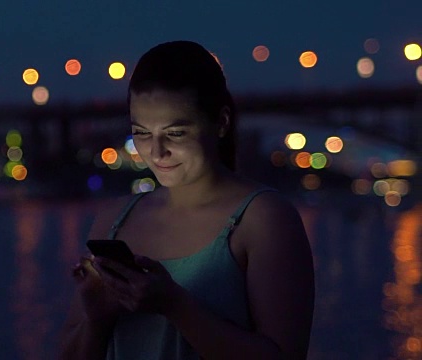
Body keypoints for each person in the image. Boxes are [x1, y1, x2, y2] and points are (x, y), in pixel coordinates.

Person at [58, 40, 314, 359]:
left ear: (220, 122)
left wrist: (175, 306)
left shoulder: (263, 219)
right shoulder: (113, 220)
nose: (156, 151)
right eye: (141, 133)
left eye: (175, 133)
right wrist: (98, 319)